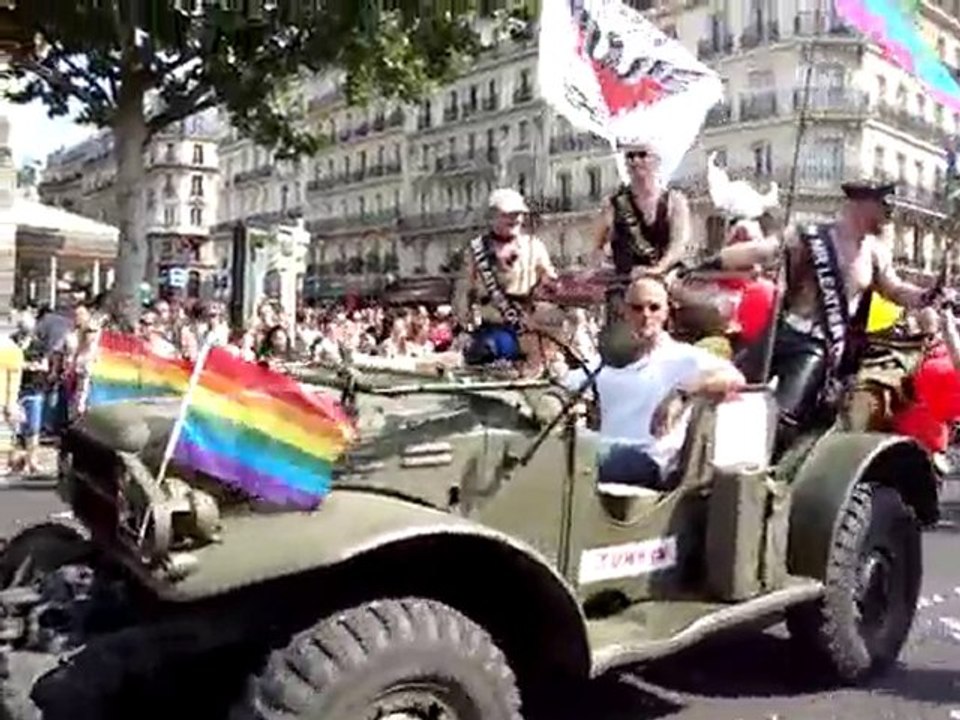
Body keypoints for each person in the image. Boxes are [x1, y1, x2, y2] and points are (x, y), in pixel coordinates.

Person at [707, 179, 940, 448]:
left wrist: (927, 296)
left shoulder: (875, 252)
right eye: (885, 204)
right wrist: (703, 266)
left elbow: (896, 290)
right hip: (781, 333)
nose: (890, 214)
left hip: (818, 346)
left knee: (782, 416)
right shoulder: (810, 234)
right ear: (862, 203)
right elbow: (759, 252)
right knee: (723, 390)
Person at [561, 276, 744, 490]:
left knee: (571, 462)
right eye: (637, 308)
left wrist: (681, 393)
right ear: (626, 312)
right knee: (553, 455)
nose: (646, 315)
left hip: (650, 459)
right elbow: (563, 384)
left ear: (666, 312)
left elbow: (735, 378)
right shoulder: (610, 360)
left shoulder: (683, 357)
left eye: (654, 307)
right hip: (605, 452)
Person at [453, 187, 558, 365]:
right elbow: (463, 292)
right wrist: (465, 325)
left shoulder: (534, 246)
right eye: (508, 214)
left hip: (528, 330)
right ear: (493, 216)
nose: (515, 219)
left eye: (519, 214)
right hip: (490, 329)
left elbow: (551, 284)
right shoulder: (476, 250)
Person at [590, 142, 692, 321]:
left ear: (656, 160)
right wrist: (603, 268)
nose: (635, 161)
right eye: (630, 156)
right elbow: (596, 247)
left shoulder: (675, 201)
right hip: (626, 287)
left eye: (642, 155)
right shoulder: (613, 205)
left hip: (667, 281)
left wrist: (657, 269)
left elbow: (679, 245)